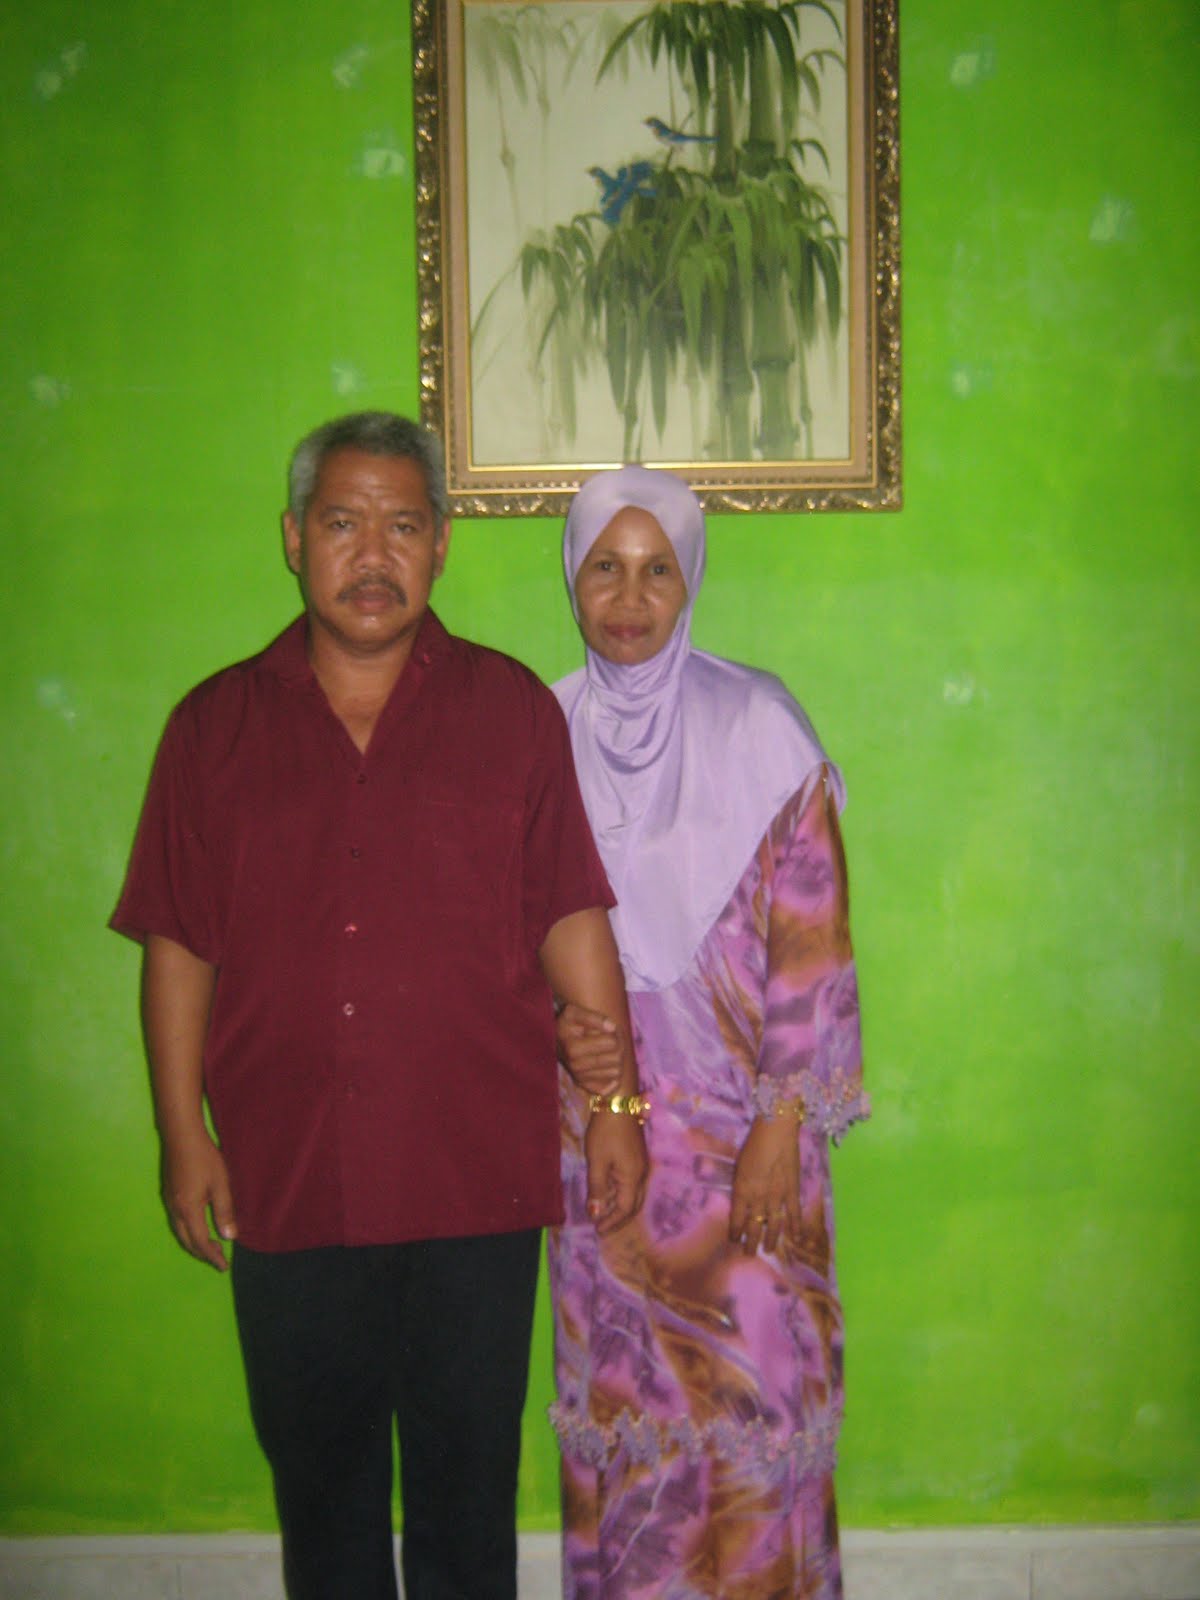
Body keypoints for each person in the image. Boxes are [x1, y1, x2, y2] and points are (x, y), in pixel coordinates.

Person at [109, 413, 647, 1600]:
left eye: (402, 526)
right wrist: (182, 1131)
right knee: (324, 1500)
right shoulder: (212, 729)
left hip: (473, 1181)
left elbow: (568, 912)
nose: (372, 554)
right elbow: (179, 944)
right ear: (294, 538)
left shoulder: (512, 711)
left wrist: (618, 1107)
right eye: (343, 523)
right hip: (290, 1175)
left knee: (467, 1501)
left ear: (441, 544)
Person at [548, 465, 868, 1599]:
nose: (629, 598)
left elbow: (814, 946)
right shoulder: (540, 732)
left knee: (754, 1408)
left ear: (690, 582)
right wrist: (556, 1031)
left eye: (657, 571)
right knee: (628, 1414)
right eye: (605, 567)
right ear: (573, 579)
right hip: (605, 1138)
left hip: (750, 1142)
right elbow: (495, 934)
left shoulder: (758, 723)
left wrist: (783, 1126)